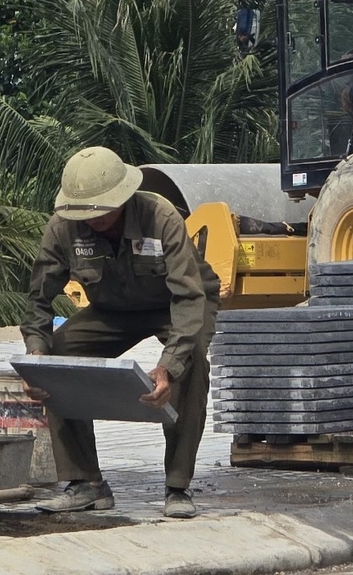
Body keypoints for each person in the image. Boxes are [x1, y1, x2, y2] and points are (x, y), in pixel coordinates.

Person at [23, 146, 220, 519]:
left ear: (123, 198)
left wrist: (169, 365)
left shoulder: (160, 217)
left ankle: (177, 486)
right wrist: (36, 356)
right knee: (58, 356)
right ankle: (86, 483)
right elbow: (38, 300)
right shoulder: (62, 227)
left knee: (190, 363)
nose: (91, 220)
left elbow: (189, 297)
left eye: (99, 210)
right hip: (112, 308)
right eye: (83, 211)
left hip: (180, 301)